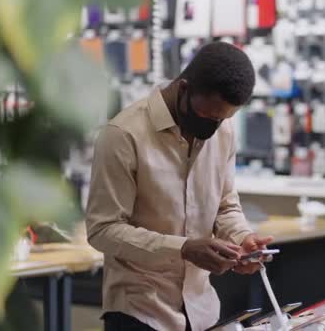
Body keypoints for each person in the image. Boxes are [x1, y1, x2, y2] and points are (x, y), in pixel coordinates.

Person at [85, 42, 273, 331]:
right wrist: (183, 248)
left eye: (223, 118)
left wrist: (242, 239)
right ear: (183, 89)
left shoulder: (223, 130)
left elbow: (225, 203)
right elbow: (104, 230)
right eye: (210, 116)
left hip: (202, 310)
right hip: (140, 312)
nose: (216, 126)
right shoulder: (123, 135)